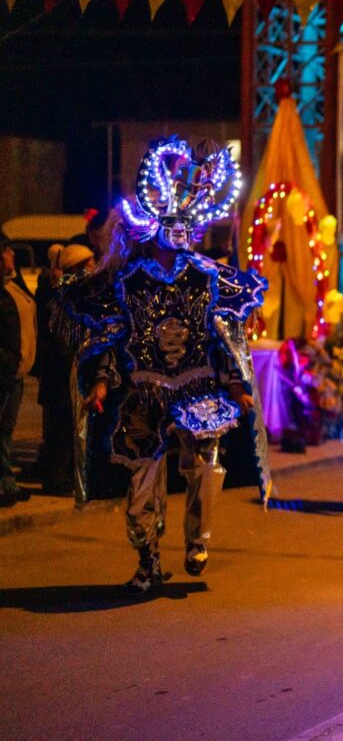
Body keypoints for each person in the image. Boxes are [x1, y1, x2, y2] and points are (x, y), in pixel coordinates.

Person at [58, 137, 267, 593]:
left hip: (197, 388)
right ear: (152, 229)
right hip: (144, 391)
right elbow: (114, 338)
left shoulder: (208, 278)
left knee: (206, 465)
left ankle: (197, 541)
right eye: (170, 227)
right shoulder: (127, 282)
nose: (179, 236)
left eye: (184, 228)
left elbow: (224, 335)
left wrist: (235, 383)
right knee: (140, 487)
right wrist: (99, 382)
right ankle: (148, 557)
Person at [34, 243, 95, 496]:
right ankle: (57, 479)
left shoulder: (78, 293)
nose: (94, 267)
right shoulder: (62, 296)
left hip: (71, 369)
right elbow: (60, 337)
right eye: (89, 263)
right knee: (60, 428)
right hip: (62, 373)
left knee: (71, 428)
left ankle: (67, 477)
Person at [1, 232, 36, 506]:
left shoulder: (14, 285)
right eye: (7, 251)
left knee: (6, 429)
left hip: (16, 372)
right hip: (6, 371)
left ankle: (6, 481)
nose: (12, 255)